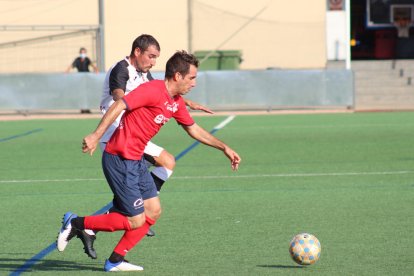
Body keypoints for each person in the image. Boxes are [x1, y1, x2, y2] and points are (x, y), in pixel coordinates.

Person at [56, 50, 241, 272]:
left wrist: (224, 147)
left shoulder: (175, 101)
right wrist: (95, 135)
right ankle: (77, 223)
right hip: (119, 159)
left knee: (153, 211)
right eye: (191, 78)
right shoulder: (152, 91)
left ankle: (114, 260)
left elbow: (193, 129)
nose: (194, 83)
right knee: (136, 220)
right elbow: (119, 105)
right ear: (177, 76)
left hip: (136, 162)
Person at [73, 34, 213, 260]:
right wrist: (97, 133)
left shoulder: (143, 73)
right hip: (117, 134)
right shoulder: (121, 68)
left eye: (157, 57)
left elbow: (160, 94)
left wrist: (184, 103)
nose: (154, 62)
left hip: (133, 135)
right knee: (164, 165)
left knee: (167, 162)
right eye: (151, 56)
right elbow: (122, 99)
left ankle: (132, 209)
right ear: (137, 52)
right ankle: (107, 217)